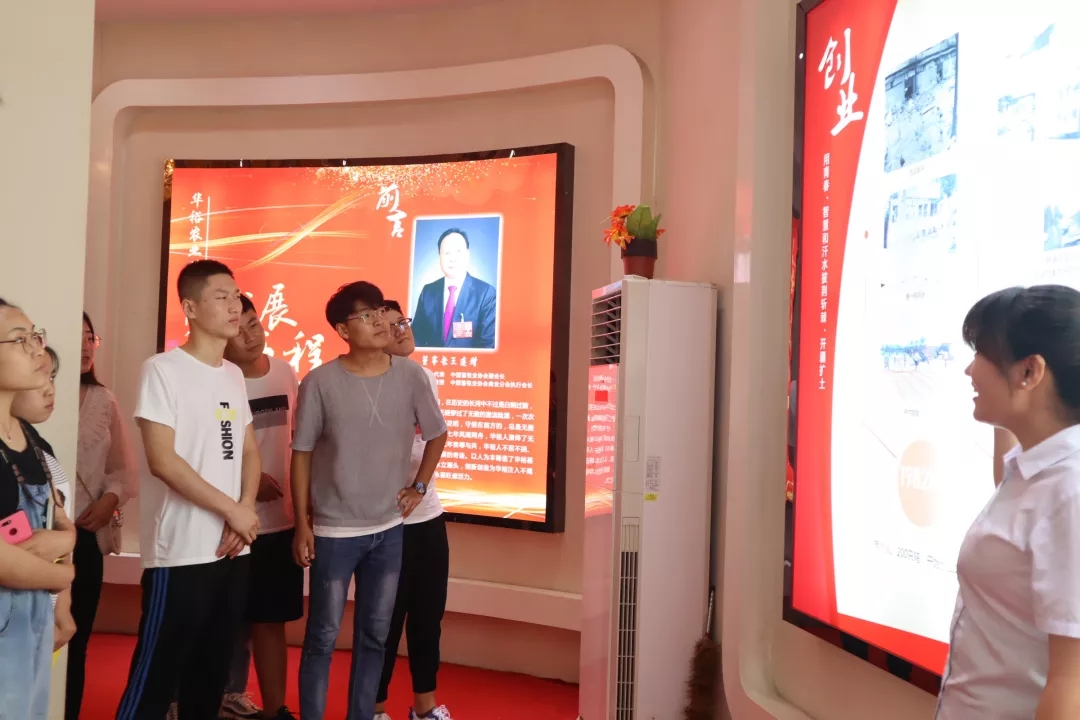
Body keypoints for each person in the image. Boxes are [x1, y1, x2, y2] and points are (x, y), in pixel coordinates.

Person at [292, 281, 448, 720]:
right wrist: (302, 523)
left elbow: (437, 433)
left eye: (380, 311)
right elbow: (302, 454)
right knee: (322, 636)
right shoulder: (319, 381)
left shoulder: (411, 376)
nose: (380, 321)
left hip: (389, 530)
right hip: (334, 530)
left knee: (375, 637)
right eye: (366, 315)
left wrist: (419, 487)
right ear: (343, 330)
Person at [116, 260, 261, 720]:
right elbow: (163, 461)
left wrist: (245, 509)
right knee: (156, 678)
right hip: (180, 552)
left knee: (210, 677)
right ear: (190, 308)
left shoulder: (233, 374)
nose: (234, 305)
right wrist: (233, 511)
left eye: (236, 295)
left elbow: (248, 450)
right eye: (221, 296)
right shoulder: (163, 370)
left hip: (232, 550)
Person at [937, 284, 1080, 719]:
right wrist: (1009, 409)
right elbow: (1013, 485)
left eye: (981, 353)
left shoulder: (1070, 493)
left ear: (1029, 372)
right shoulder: (1037, 468)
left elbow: (1071, 685)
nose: (969, 370)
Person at [220, 294, 302, 720]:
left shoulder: (286, 373)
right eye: (240, 329)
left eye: (254, 324)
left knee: (271, 622)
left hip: (280, 523)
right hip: (234, 522)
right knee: (223, 621)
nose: (250, 335)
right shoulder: (220, 382)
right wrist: (247, 482)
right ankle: (207, 699)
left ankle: (275, 710)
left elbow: (301, 441)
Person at [52, 313, 137, 720]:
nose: (87, 346)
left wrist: (111, 500)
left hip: (85, 534)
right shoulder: (34, 396)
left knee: (76, 639)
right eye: (78, 336)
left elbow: (123, 469)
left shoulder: (104, 400)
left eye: (91, 337)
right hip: (38, 535)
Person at [374, 301, 453, 720]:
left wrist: (420, 488)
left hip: (428, 519)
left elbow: (433, 437)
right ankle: (374, 708)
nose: (401, 330)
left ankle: (425, 707)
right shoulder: (370, 384)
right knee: (384, 622)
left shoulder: (425, 377)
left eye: (402, 321)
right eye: (389, 326)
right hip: (385, 523)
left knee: (427, 617)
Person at [0, 299, 76, 719]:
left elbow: (61, 523)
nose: (36, 350)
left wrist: (65, 541)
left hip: (33, 624)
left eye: (35, 336)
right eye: (19, 339)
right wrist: (62, 575)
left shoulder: (29, 438)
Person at [11, 345, 78, 652]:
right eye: (38, 376)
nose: (49, 389)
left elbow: (60, 524)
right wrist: (63, 575)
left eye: (52, 377)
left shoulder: (40, 448)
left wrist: (62, 609)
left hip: (41, 614)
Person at [411, 228, 497, 349]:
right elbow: (416, 338)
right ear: (439, 256)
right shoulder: (428, 291)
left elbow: (487, 344)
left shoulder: (486, 293)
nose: (453, 258)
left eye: (458, 251)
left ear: (467, 254)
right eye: (447, 253)